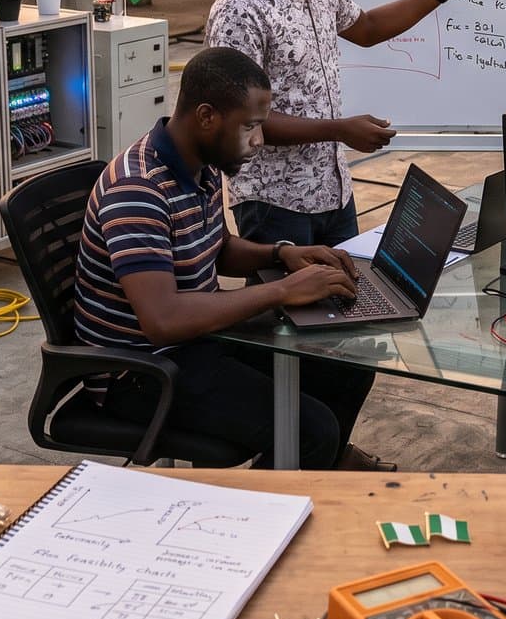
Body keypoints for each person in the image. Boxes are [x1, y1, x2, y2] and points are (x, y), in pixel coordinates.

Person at [72, 46, 371, 470]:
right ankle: (259, 506)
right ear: (207, 116)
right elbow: (163, 321)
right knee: (310, 432)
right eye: (250, 126)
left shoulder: (202, 164)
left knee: (349, 365)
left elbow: (219, 248)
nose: (259, 141)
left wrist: (284, 253)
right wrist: (282, 291)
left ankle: (314, 474)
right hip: (141, 372)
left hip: (197, 342)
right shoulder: (138, 190)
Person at [208, 0, 506, 249]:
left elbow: (366, 28)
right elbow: (240, 121)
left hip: (334, 193)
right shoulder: (241, 8)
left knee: (349, 287)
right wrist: (339, 129)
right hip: (275, 204)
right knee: (292, 290)